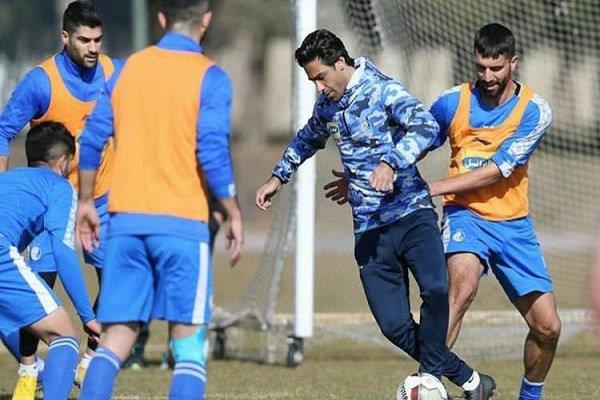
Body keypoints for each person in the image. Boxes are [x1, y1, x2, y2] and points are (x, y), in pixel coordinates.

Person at [324, 23, 559, 400]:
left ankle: (528, 396)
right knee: (460, 289)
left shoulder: (534, 110)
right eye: (480, 67)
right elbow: (413, 142)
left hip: (514, 224)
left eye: (496, 68)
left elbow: (496, 170)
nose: (487, 76)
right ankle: (428, 383)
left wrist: (430, 188)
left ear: (513, 63)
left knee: (548, 327)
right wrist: (365, 176)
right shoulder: (453, 102)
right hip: (465, 215)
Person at [256, 29, 494, 399]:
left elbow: (426, 125)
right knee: (393, 325)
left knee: (435, 289)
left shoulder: (383, 89)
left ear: (340, 63)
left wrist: (391, 162)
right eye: (312, 80)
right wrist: (277, 178)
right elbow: (307, 138)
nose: (318, 87)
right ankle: (469, 379)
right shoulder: (327, 105)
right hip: (369, 228)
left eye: (321, 77)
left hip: (412, 215)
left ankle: (430, 381)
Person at [75, 0, 244, 398]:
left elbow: (93, 138)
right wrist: (233, 211)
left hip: (125, 223)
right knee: (188, 347)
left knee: (113, 342)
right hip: (182, 224)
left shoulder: (128, 69)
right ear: (206, 20)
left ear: (162, 19)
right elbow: (212, 151)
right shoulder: (211, 77)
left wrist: (85, 202)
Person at [0, 0, 118, 392]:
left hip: (101, 197)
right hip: (53, 202)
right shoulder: (41, 82)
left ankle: (88, 361)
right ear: (65, 36)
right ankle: (29, 369)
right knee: (40, 289)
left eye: (98, 40)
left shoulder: (112, 71)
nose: (93, 48)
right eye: (84, 40)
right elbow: (3, 130)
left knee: (116, 279)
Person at [0, 121, 100, 400]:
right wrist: (87, 317)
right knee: (63, 336)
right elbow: (63, 253)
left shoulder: (8, 179)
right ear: (63, 161)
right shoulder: (60, 187)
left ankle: (29, 376)